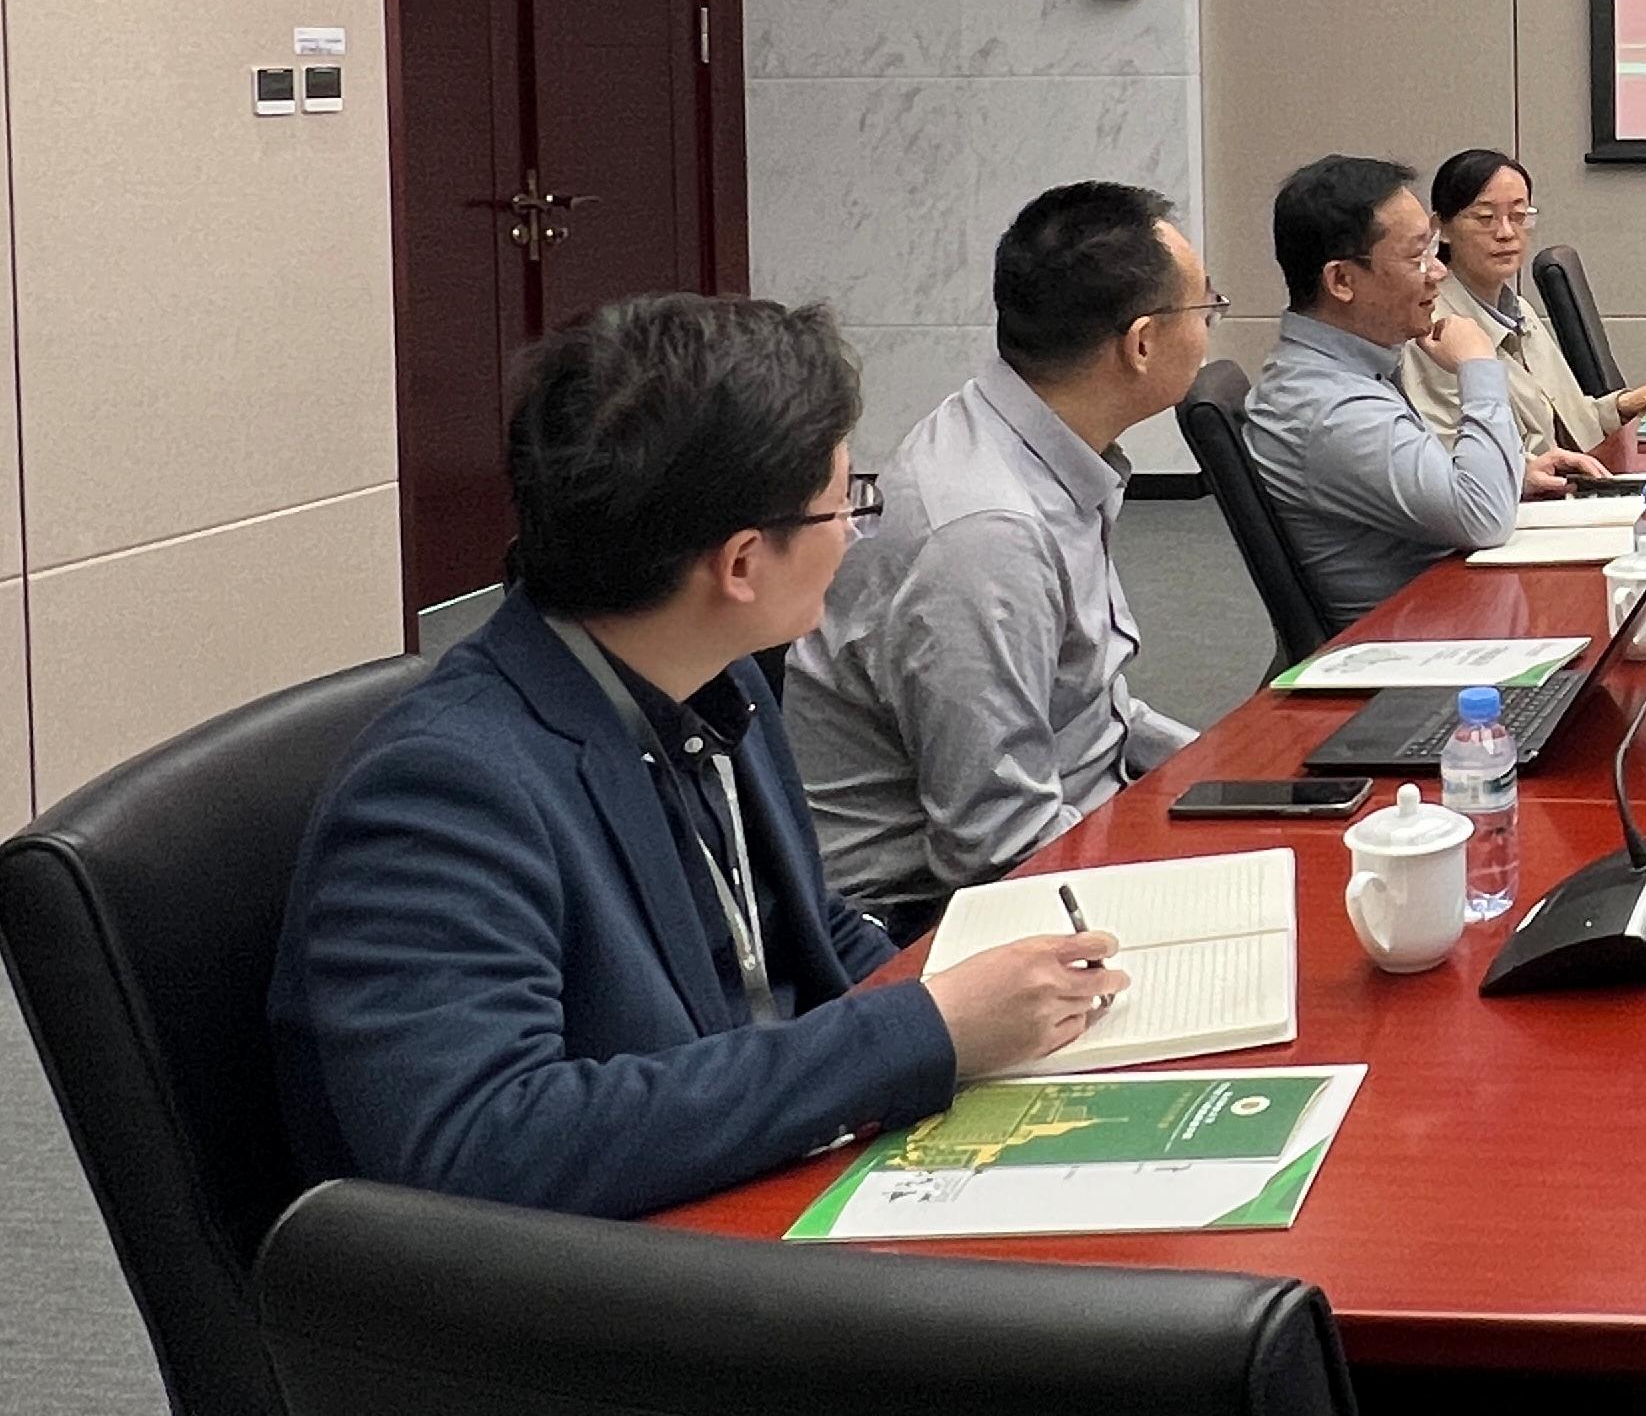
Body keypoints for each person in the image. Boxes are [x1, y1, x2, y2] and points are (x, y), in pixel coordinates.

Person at [270, 296, 1122, 1220]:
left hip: (758, 1171)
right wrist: (924, 1029)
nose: (853, 530)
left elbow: (804, 930)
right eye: (845, 502)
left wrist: (975, 997)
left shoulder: (713, 675)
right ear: (742, 564)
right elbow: (485, 1144)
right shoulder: (444, 791)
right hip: (614, 1271)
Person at [783, 183, 1217, 934]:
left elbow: (1091, 711)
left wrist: (1222, 768)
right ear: (1142, 343)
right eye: (1205, 307)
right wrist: (1182, 899)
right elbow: (997, 847)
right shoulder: (986, 534)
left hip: (1072, 822)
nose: (1210, 327)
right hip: (921, 918)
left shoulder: (1027, 437)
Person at [1245, 154, 1559, 617]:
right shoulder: (1332, 408)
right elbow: (1484, 518)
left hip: (1448, 607)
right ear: (1342, 280)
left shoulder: (1350, 367)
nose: (1438, 272)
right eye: (1418, 257)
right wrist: (1478, 363)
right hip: (1414, 641)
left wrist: (1516, 475)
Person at [1399, 149, 1646, 471]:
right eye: (1485, 218)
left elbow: (1558, 419)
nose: (1506, 233)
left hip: (1580, 477)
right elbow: (1452, 457)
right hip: (1527, 494)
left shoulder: (1518, 309)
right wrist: (1528, 473)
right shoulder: (1433, 329)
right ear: (1442, 228)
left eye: (1519, 216)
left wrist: (1621, 407)